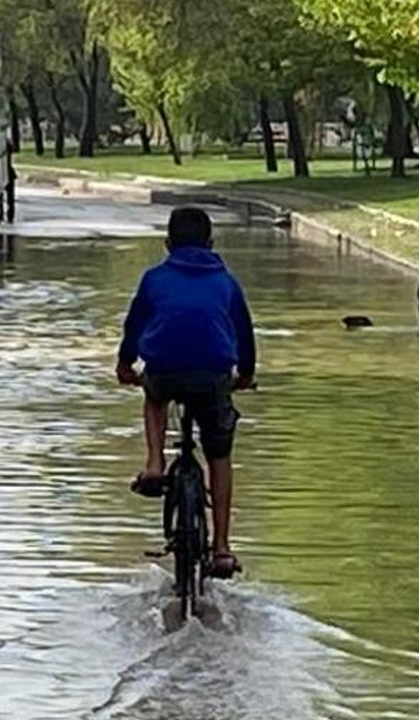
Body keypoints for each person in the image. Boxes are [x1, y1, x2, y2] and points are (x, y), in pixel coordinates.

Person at [116, 207, 257, 579]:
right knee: (219, 454)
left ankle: (154, 463)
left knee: (154, 394)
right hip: (212, 375)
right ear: (211, 245)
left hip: (164, 369)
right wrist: (245, 374)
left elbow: (134, 326)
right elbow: (245, 334)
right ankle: (223, 548)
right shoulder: (227, 283)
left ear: (167, 244)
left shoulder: (153, 279)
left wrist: (125, 364)